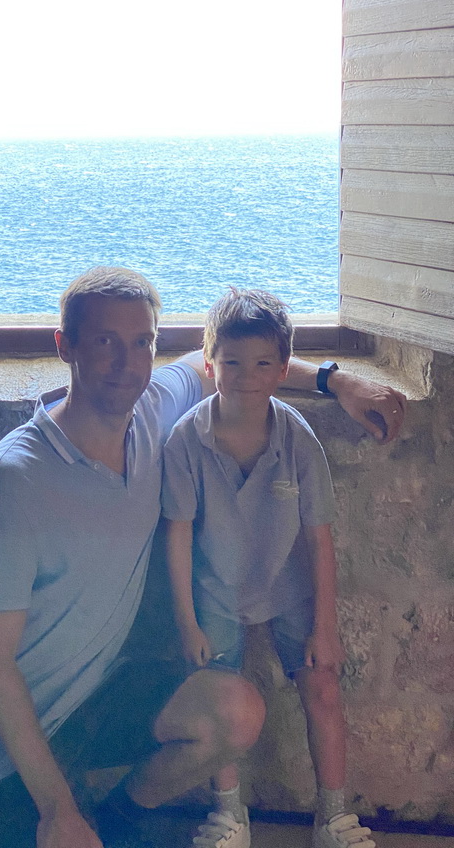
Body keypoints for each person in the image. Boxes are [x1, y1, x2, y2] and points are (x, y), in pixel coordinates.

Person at [0, 268, 405, 848]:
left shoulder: (154, 410)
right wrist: (55, 810)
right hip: (7, 747)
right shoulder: (15, 481)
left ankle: (108, 818)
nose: (126, 362)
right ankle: (66, 812)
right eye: (105, 341)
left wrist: (340, 383)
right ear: (66, 346)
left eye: (142, 342)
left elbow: (234, 359)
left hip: (97, 700)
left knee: (234, 711)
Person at [162, 288, 378, 848]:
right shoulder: (187, 440)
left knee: (323, 686)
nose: (246, 375)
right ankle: (229, 815)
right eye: (231, 362)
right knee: (217, 695)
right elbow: (178, 534)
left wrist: (324, 626)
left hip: (286, 584)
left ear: (283, 370)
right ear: (210, 365)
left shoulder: (296, 440)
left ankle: (333, 815)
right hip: (215, 588)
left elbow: (319, 537)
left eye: (262, 363)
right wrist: (186, 622)